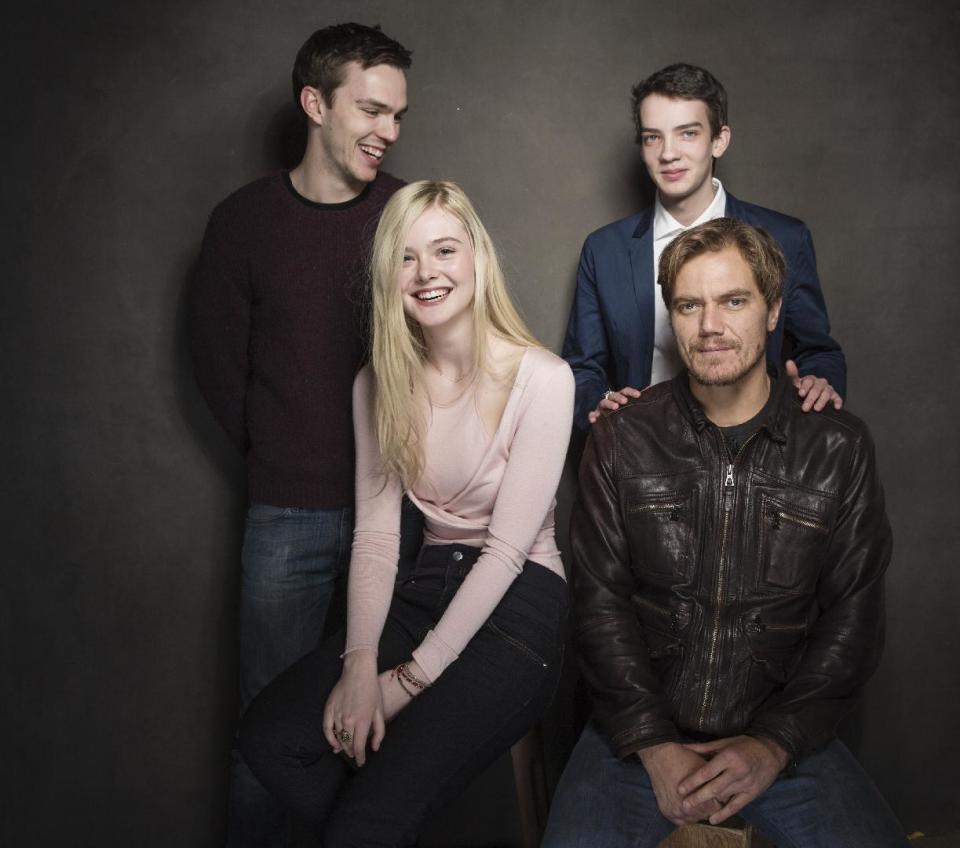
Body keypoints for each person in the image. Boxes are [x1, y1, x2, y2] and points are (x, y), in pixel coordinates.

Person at [543, 218, 907, 847]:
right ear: (671, 317)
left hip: (785, 738)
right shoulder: (621, 438)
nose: (709, 325)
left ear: (771, 311)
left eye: (733, 300)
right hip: (634, 731)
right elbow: (597, 605)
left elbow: (853, 621)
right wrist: (654, 744)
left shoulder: (837, 447)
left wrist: (773, 745)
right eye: (689, 305)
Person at [238, 181, 574, 845]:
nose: (426, 274)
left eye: (444, 250)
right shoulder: (379, 383)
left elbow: (506, 553)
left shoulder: (544, 379)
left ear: (477, 257)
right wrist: (362, 667)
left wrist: (407, 682)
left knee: (372, 818)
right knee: (270, 740)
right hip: (424, 587)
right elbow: (377, 539)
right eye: (406, 258)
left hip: (519, 602)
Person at [188, 22, 417, 845]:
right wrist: (283, 451)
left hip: (400, 513)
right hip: (289, 516)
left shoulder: (404, 213)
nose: (388, 131)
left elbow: (449, 341)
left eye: (397, 115)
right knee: (270, 729)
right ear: (315, 103)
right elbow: (217, 364)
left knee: (388, 729)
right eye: (371, 109)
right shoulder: (243, 223)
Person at [563, 63, 846, 430]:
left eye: (687, 133)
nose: (668, 153)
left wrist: (818, 382)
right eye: (653, 137)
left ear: (719, 140)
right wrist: (599, 404)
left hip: (753, 449)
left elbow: (818, 351)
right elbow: (582, 368)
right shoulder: (604, 250)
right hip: (644, 451)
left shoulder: (785, 238)